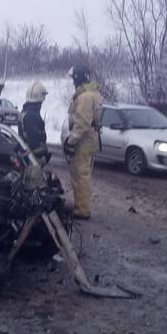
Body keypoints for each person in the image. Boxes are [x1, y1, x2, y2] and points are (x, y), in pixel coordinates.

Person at [63, 65, 103, 220]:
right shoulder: (94, 94)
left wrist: (71, 141)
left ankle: (82, 210)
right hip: (90, 140)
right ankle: (81, 205)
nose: (72, 81)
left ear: (78, 78)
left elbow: (82, 124)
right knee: (84, 174)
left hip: (83, 141)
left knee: (80, 175)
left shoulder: (85, 97)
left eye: (73, 78)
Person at [18, 81, 50, 167]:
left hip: (27, 154)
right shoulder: (32, 115)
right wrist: (41, 155)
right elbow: (34, 139)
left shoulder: (25, 111)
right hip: (33, 157)